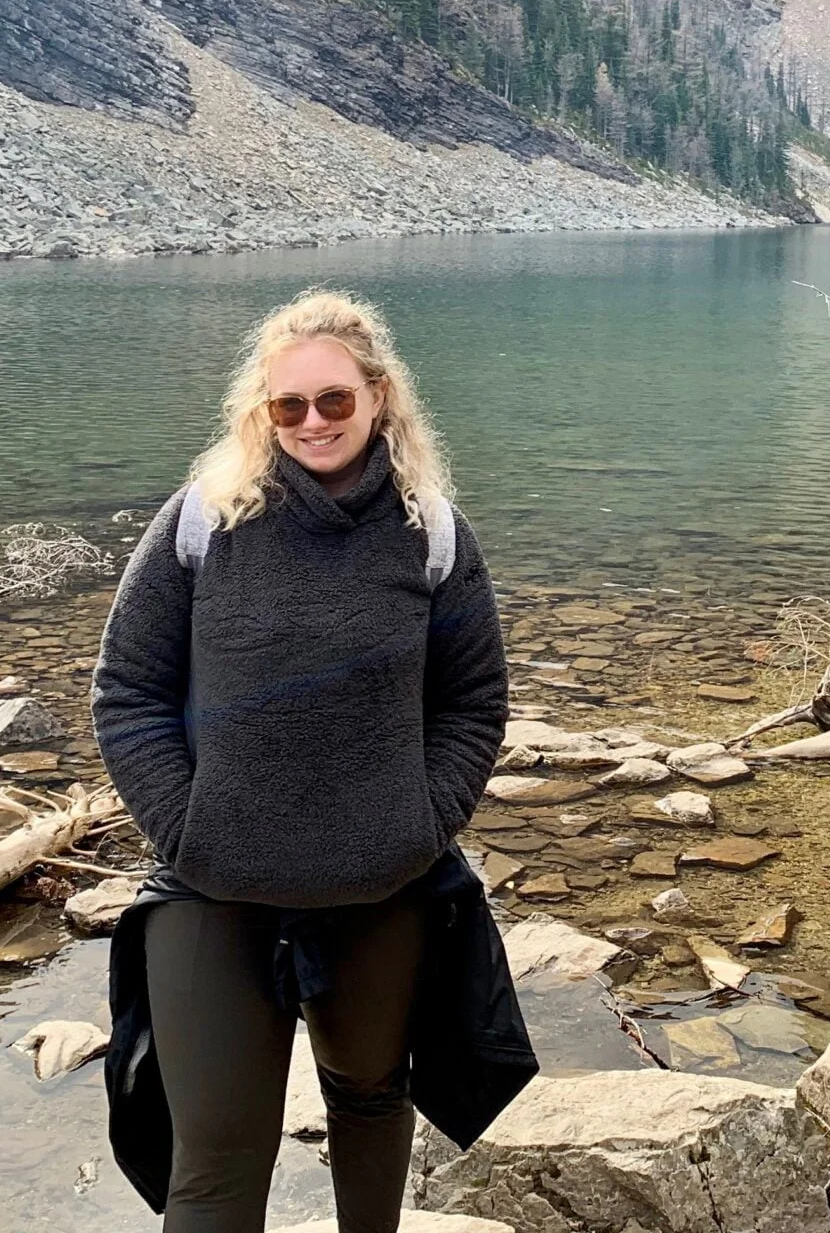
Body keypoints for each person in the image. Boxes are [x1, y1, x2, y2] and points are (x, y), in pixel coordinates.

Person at [93, 288, 535, 1233]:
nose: (312, 422)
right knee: (214, 1166)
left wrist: (420, 823)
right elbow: (126, 689)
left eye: (334, 400)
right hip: (214, 887)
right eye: (287, 406)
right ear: (261, 412)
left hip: (382, 889)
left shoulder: (432, 533)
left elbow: (472, 701)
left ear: (379, 397)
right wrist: (187, 825)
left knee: (371, 1103)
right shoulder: (204, 520)